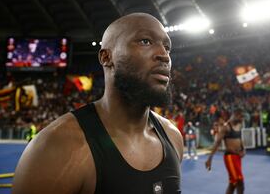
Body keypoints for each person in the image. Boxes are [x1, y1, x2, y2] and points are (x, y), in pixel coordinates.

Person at [12, 13, 183, 194]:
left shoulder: (173, 137)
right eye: (145, 41)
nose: (164, 55)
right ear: (106, 57)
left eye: (167, 47)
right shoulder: (56, 148)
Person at [205, 109, 245, 194]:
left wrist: (243, 149)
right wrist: (209, 159)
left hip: (238, 157)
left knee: (233, 184)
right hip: (230, 157)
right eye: (241, 117)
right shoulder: (226, 127)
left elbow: (240, 139)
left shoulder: (239, 125)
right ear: (235, 115)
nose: (242, 119)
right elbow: (217, 143)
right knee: (239, 182)